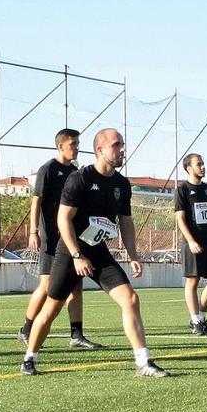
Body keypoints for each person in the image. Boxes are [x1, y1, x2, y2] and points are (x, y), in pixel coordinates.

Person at [20, 128, 169, 378]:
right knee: (52, 308)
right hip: (70, 252)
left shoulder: (121, 184)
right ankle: (29, 358)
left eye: (122, 144)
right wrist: (77, 255)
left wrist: (133, 255)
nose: (122, 149)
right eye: (116, 145)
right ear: (100, 150)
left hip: (98, 252)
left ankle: (143, 362)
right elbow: (63, 219)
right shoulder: (80, 179)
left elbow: (126, 222)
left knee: (131, 299)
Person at [17, 128, 101, 350]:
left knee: (76, 286)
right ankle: (26, 329)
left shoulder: (75, 172)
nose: (77, 147)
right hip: (52, 238)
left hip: (71, 238)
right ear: (60, 146)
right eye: (73, 144)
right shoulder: (48, 169)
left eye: (78, 143)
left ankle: (76, 335)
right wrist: (34, 231)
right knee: (46, 285)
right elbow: (36, 201)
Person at [175, 153, 207, 335]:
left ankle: (201, 318)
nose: (203, 167)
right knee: (193, 280)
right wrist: (190, 241)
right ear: (189, 168)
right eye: (199, 164)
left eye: (203, 164)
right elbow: (180, 218)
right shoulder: (182, 190)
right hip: (193, 242)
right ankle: (195, 320)